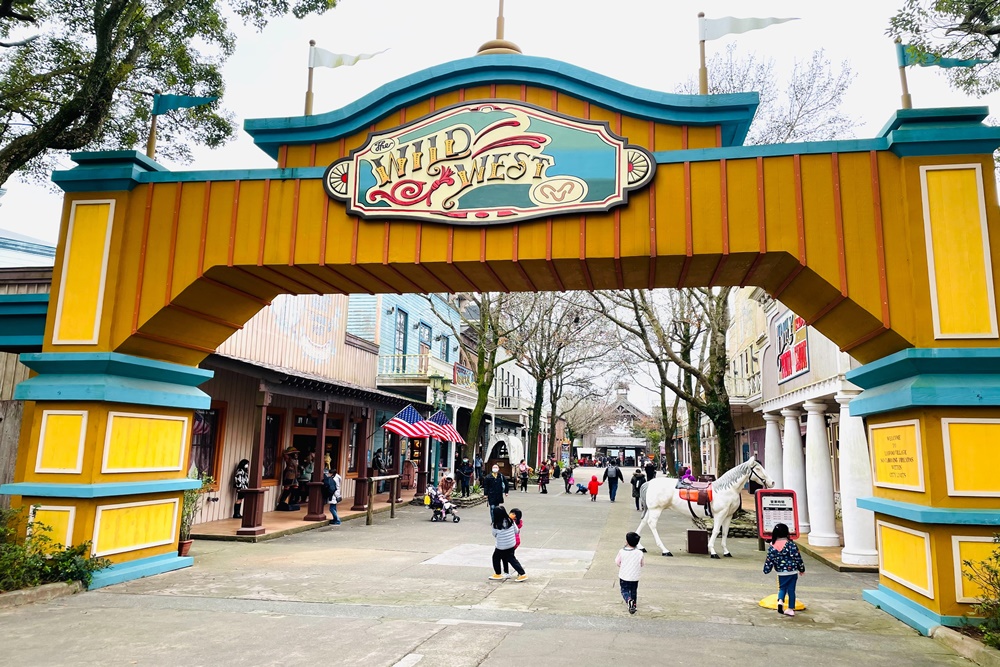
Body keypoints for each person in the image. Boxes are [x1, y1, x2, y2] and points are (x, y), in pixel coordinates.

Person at [763, 522, 806, 616]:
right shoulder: (791, 545)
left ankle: (780, 601)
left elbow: (769, 559)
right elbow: (798, 558)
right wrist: (801, 569)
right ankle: (790, 609)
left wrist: (766, 569)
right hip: (793, 571)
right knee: (791, 590)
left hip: (781, 572)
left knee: (782, 588)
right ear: (787, 533)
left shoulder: (772, 547)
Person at [488, 504, 527, 582]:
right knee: (511, 559)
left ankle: (498, 574)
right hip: (511, 544)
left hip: (501, 546)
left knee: (496, 558)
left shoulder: (495, 524)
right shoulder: (510, 521)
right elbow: (517, 531)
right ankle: (521, 574)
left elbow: (494, 534)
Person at [616, 531, 644, 615]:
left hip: (624, 575)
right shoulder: (640, 553)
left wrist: (621, 565)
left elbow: (617, 562)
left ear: (627, 542)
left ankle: (629, 600)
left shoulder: (622, 551)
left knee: (624, 590)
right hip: (635, 576)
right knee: (633, 590)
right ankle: (633, 605)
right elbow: (642, 564)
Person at [502, 508, 524, 577]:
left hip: (512, 541)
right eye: (511, 513)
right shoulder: (513, 521)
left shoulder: (512, 522)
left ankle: (519, 570)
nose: (511, 514)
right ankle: (511, 571)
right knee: (508, 557)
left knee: (509, 557)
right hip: (513, 541)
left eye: (514, 514)